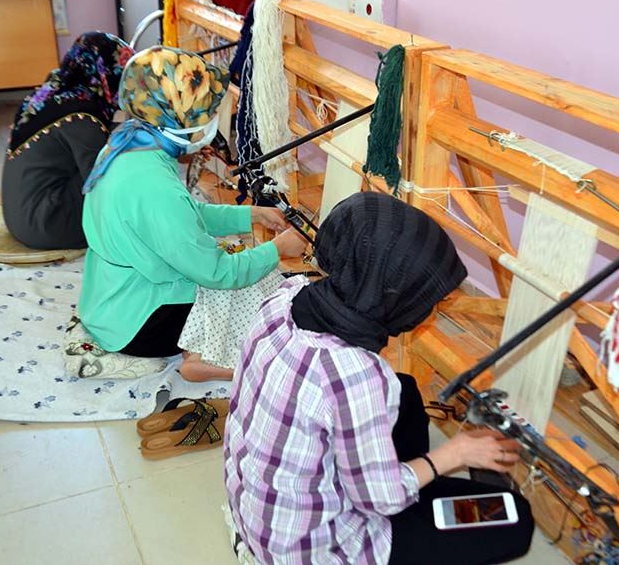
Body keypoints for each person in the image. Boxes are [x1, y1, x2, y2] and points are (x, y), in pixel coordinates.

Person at [224, 192, 535, 564]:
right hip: (316, 549)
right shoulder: (356, 375)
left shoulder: (285, 298)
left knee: (406, 392)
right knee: (515, 518)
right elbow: (379, 500)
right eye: (426, 299)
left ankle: (405, 480)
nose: (430, 309)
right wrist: (457, 453)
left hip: (261, 514)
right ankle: (407, 492)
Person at [77, 46, 306, 382]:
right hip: (139, 325)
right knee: (242, 278)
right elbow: (217, 272)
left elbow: (184, 215)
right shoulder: (156, 186)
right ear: (176, 115)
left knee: (230, 259)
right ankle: (202, 358)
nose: (210, 121)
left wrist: (251, 214)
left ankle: (200, 350)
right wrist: (277, 249)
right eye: (204, 112)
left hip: (108, 302)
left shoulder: (128, 145)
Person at [2, 32, 133, 249]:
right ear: (106, 72)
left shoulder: (51, 93)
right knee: (116, 167)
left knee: (116, 146)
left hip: (20, 218)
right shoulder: (83, 116)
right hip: (47, 226)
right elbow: (101, 185)